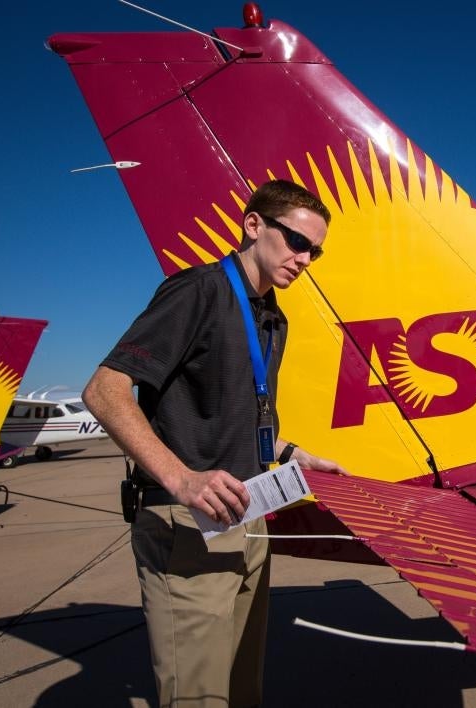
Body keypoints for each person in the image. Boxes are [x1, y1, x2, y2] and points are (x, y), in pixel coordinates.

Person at [83, 179, 346, 708]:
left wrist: (291, 455)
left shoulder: (272, 318)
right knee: (198, 697)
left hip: (247, 515)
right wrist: (181, 478)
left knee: (242, 689)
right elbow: (104, 391)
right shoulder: (198, 292)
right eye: (297, 242)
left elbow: (237, 415)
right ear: (253, 226)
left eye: (314, 251)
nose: (305, 259)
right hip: (190, 526)